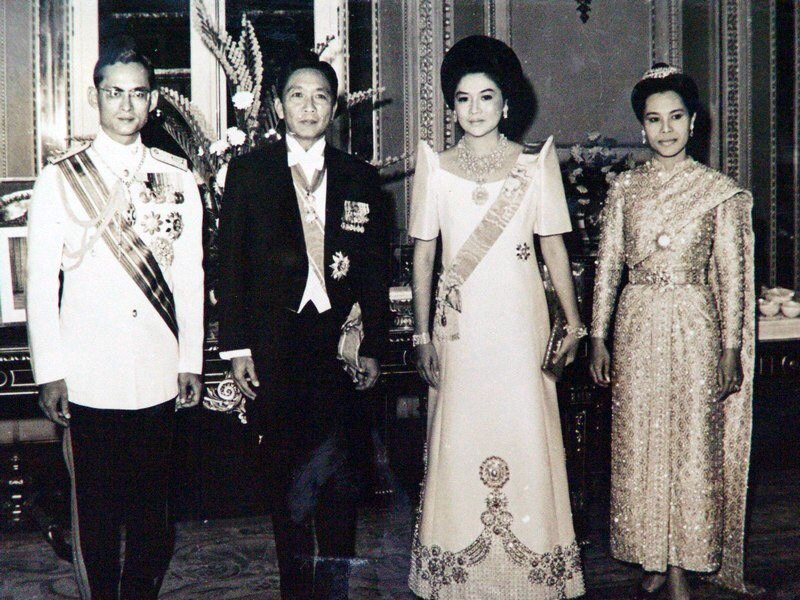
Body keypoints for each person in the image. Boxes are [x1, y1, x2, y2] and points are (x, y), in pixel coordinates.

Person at [25, 36, 205, 599]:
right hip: (89, 375)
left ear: (154, 101)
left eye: (138, 94)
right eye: (114, 93)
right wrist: (50, 370)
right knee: (96, 514)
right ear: (94, 98)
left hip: (156, 370)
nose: (126, 106)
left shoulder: (178, 177)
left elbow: (191, 275)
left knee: (154, 515)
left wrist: (190, 360)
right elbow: (40, 285)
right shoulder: (59, 180)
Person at [408, 35, 586, 599]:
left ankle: (531, 577)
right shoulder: (434, 167)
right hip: (460, 331)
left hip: (519, 326)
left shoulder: (536, 165)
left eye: (487, 97)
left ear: (507, 103)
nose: (476, 110)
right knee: (459, 433)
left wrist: (575, 325)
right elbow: (424, 256)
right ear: (451, 105)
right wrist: (419, 334)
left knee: (526, 430)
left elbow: (554, 248)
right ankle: (459, 576)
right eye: (463, 99)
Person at [217, 50, 390, 599]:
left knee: (340, 480)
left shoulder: (361, 178)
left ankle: (334, 587)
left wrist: (372, 347)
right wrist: (238, 347)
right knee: (287, 479)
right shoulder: (248, 173)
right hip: (275, 349)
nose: (309, 106)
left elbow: (374, 272)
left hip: (339, 348)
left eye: (320, 96)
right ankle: (295, 588)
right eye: (297, 95)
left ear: (334, 107)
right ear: (276, 106)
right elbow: (231, 264)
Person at [589, 64, 756, 600]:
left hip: (694, 323)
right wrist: (598, 335)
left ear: (693, 122)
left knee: (690, 443)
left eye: (676, 118)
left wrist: (732, 347)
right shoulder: (625, 189)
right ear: (642, 127)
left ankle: (684, 563)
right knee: (640, 439)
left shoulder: (717, 192)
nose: (666, 130)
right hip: (638, 322)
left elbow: (731, 276)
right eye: (654, 120)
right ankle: (652, 554)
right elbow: (610, 264)